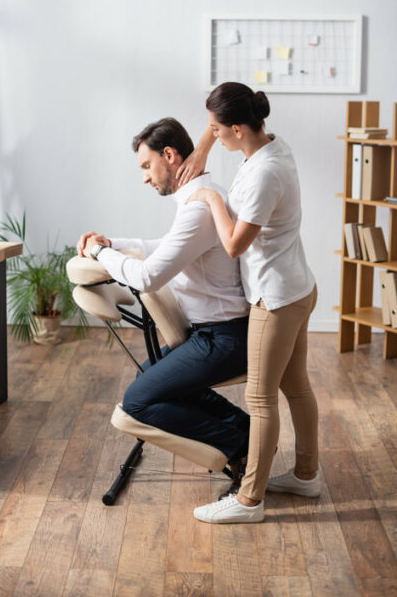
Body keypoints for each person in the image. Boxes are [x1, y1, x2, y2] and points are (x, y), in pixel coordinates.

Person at [78, 117, 250, 484]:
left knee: (139, 401)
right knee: (150, 376)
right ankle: (245, 430)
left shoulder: (199, 207)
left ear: (169, 155)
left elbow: (147, 276)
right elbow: (162, 247)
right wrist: (112, 244)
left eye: (146, 165)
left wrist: (98, 255)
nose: (144, 176)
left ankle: (239, 445)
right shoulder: (197, 197)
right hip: (216, 333)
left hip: (224, 338)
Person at [186, 82, 318, 524]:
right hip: (298, 286)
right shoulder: (271, 146)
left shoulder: (263, 174)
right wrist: (204, 146)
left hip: (276, 299)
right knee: (296, 387)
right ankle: (306, 475)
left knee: (260, 399)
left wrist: (209, 197)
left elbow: (235, 245)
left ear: (239, 128)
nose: (213, 137)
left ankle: (249, 500)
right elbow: (225, 124)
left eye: (216, 130)